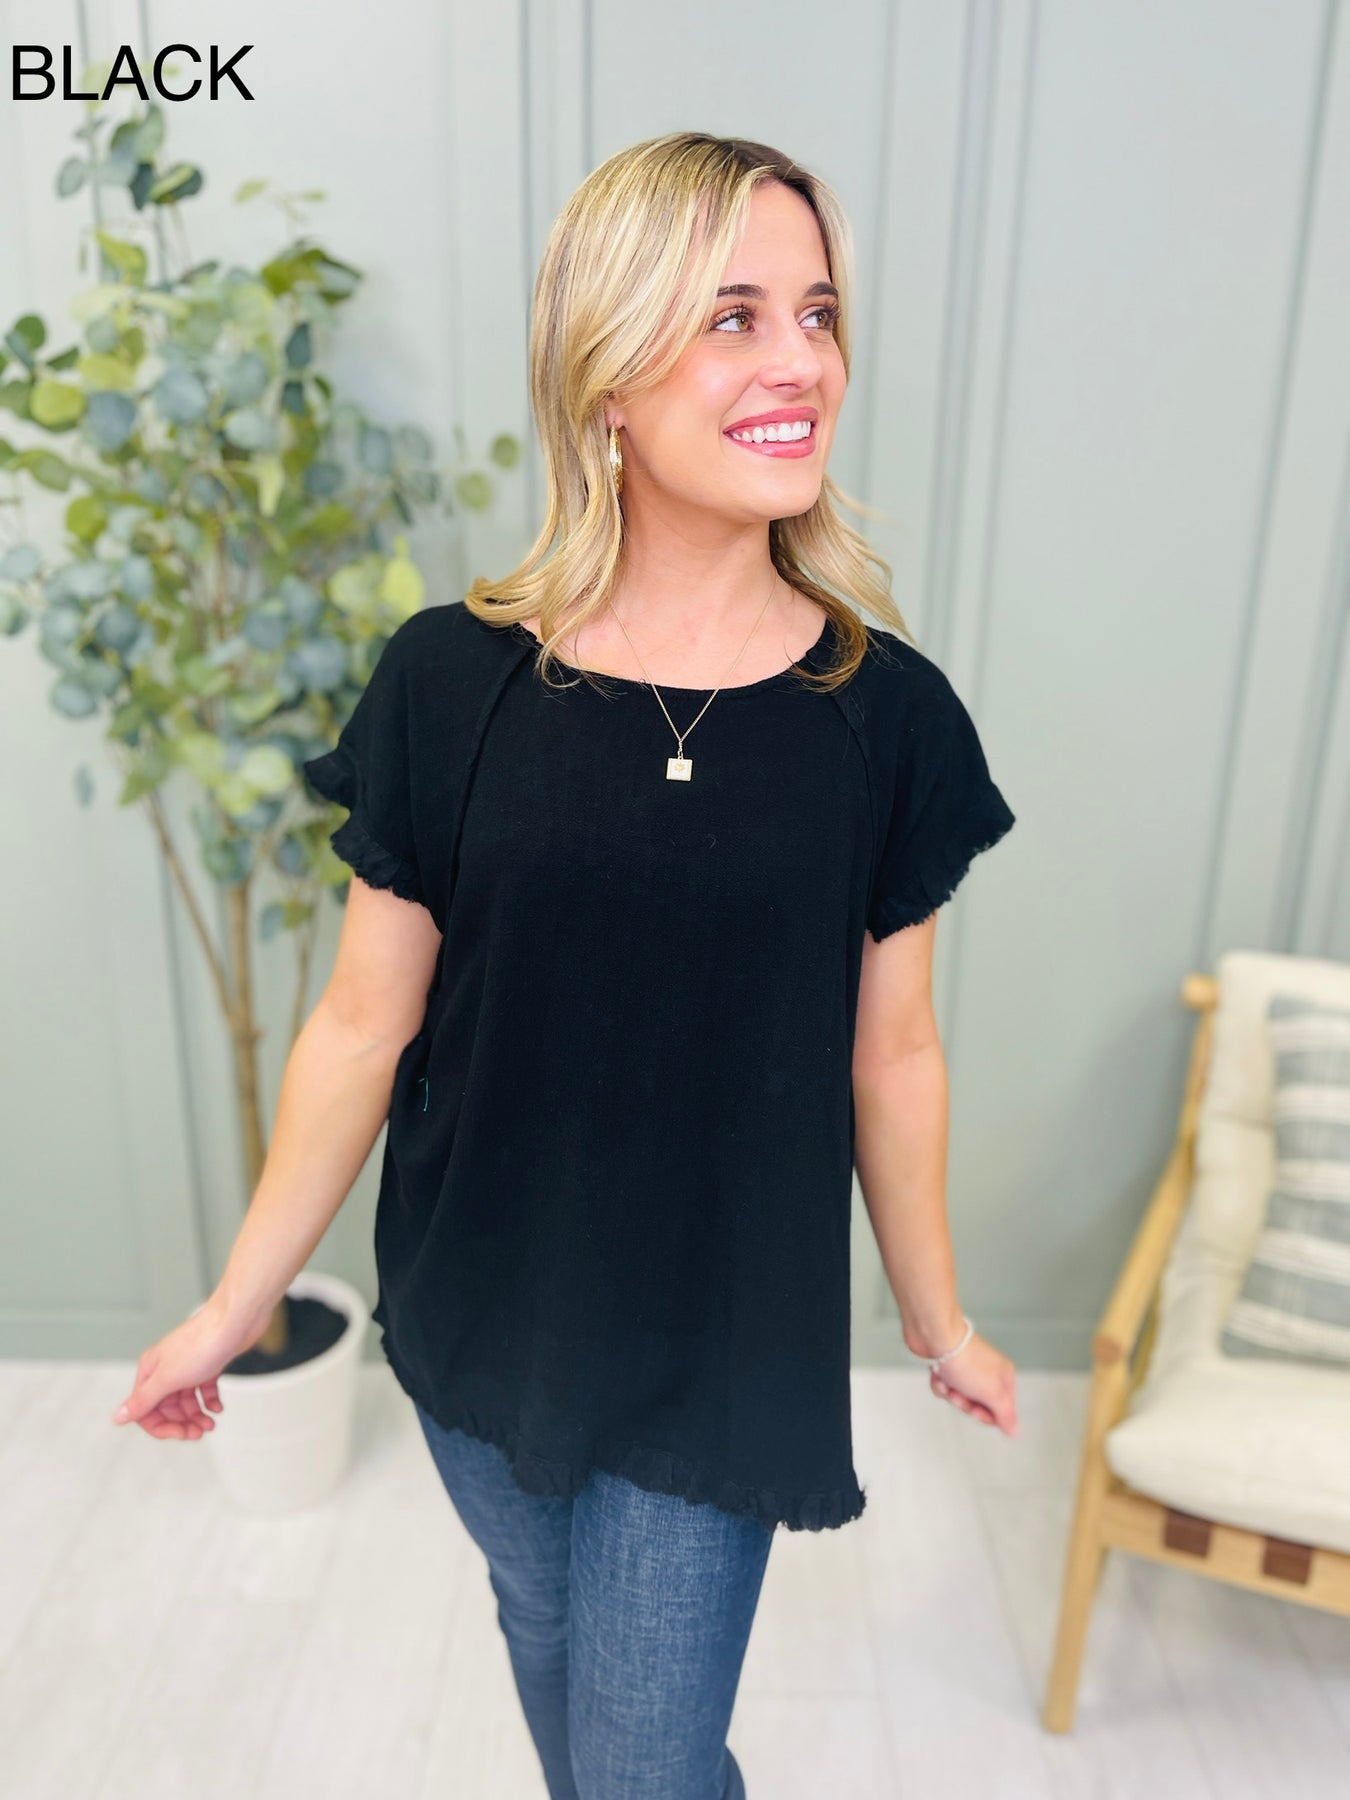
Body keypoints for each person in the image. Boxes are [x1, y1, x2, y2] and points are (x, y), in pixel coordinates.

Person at [112, 133, 1020, 1799]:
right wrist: (234, 1307)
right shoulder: (449, 682)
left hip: (715, 1342)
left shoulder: (883, 718)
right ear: (606, 376)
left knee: (647, 1761)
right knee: (544, 1638)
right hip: (480, 1311)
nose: (800, 361)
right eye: (733, 316)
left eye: (816, 314)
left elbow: (890, 1053)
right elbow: (360, 1025)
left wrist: (936, 1317)